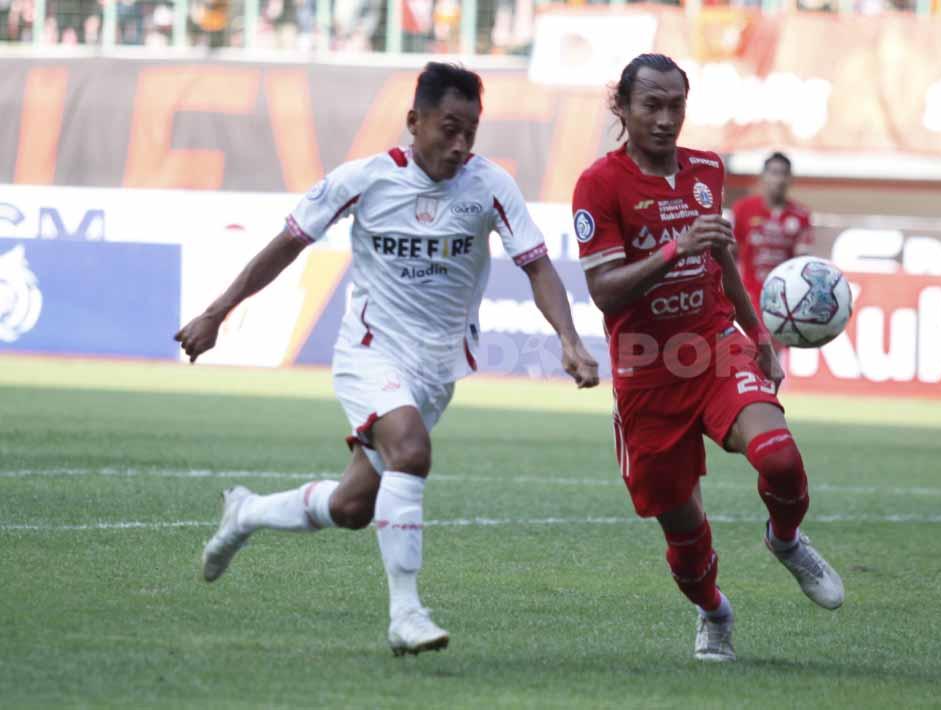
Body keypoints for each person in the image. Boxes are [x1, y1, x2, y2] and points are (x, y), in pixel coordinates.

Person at [176, 62, 599, 657]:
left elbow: (536, 264)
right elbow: (286, 245)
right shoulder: (364, 179)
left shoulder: (490, 187)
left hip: (435, 370)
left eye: (471, 131)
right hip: (370, 352)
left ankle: (246, 513)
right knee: (412, 452)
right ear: (413, 120)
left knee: (352, 507)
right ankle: (406, 614)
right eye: (448, 128)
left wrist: (569, 339)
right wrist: (218, 312)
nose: (460, 144)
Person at [571, 54, 843, 663]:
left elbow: (719, 258)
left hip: (715, 343)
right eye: (652, 106)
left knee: (778, 455)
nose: (666, 120)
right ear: (622, 107)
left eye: (676, 106)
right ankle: (713, 611)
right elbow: (605, 291)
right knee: (684, 538)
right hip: (646, 370)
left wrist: (760, 336)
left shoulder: (705, 170)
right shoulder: (599, 184)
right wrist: (674, 249)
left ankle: (786, 539)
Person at [730, 152, 813, 321]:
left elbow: (802, 262)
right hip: (748, 298)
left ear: (791, 179)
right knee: (750, 347)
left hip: (784, 302)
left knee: (777, 348)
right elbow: (731, 254)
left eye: (784, 174)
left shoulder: (801, 215)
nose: (779, 179)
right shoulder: (743, 209)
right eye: (774, 173)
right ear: (763, 176)